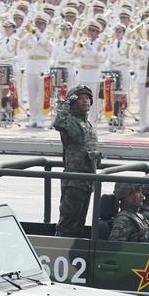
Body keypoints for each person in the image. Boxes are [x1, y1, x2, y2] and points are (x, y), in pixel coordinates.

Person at [54, 84, 99, 238]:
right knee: (68, 222)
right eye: (80, 98)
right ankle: (61, 246)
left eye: (87, 98)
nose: (85, 101)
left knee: (79, 222)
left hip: (87, 180)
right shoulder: (70, 120)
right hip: (74, 180)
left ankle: (75, 247)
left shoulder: (86, 123)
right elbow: (58, 123)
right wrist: (66, 103)